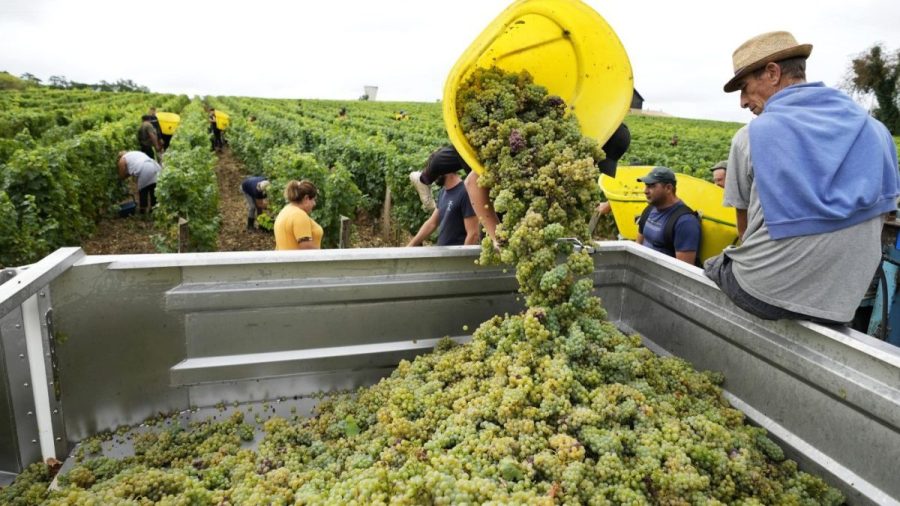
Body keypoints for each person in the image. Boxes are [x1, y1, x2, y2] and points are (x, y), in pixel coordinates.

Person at [704, 31, 899, 324]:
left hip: (760, 294)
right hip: (841, 305)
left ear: (772, 72)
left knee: (715, 265)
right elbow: (883, 218)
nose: (743, 102)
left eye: (744, 87)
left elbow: (743, 232)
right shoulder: (878, 132)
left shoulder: (751, 136)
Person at [466, 123, 631, 247]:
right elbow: (473, 182)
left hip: (536, 242)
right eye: (595, 159)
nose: (592, 166)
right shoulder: (531, 144)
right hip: (504, 238)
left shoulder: (572, 165)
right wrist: (497, 237)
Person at [407, 147, 480, 247]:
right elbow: (432, 223)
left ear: (447, 169)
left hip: (456, 259)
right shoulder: (443, 192)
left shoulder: (465, 192)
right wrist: (410, 246)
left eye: (435, 172)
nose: (434, 177)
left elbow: (473, 234)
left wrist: (461, 261)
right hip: (445, 258)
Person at [635, 166, 701, 265]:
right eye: (646, 186)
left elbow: (683, 270)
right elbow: (638, 246)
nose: (645, 191)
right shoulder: (649, 209)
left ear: (668, 188)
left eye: (651, 186)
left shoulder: (685, 222)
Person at [274, 180, 323, 250]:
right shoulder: (299, 215)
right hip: (298, 260)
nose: (314, 204)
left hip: (285, 259)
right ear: (306, 198)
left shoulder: (285, 211)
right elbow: (306, 247)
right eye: (313, 200)